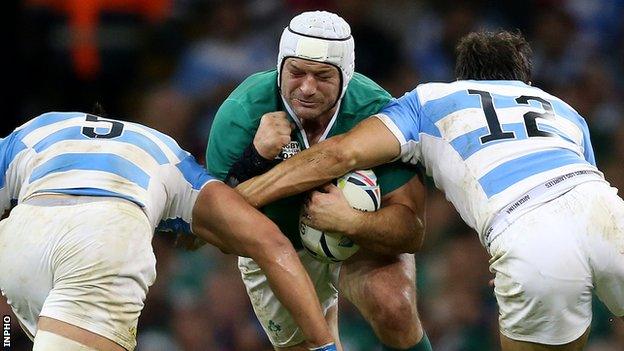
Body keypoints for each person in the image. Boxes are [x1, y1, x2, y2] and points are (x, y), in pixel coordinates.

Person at [237, 30, 624, 351]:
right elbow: (571, 196)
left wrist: (236, 203)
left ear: (462, 78)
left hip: (527, 233)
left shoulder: (430, 100)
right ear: (524, 82)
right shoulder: (564, 110)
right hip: (606, 210)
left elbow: (339, 154)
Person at [0, 111, 337, 351]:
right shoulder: (179, 164)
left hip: (24, 233)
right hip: (105, 236)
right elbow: (272, 243)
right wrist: (324, 345)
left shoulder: (37, 129)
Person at [206, 10, 432, 351]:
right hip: (278, 245)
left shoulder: (377, 112)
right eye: (296, 73)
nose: (307, 88)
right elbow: (219, 231)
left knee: (394, 306)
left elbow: (411, 231)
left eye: (323, 76)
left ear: (346, 76)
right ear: (281, 66)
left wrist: (351, 221)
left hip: (359, 235)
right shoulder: (242, 113)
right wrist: (254, 158)